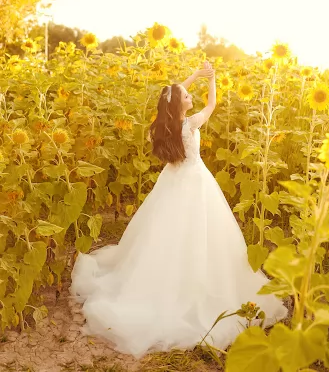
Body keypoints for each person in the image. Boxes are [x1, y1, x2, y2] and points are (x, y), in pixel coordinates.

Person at [69, 61, 287, 358]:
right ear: (180, 105)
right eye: (187, 96)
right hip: (196, 183)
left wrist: (195, 76)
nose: (190, 97)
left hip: (172, 182)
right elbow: (212, 103)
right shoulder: (190, 123)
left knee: (164, 234)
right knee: (200, 234)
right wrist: (212, 78)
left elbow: (170, 97)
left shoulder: (162, 127)